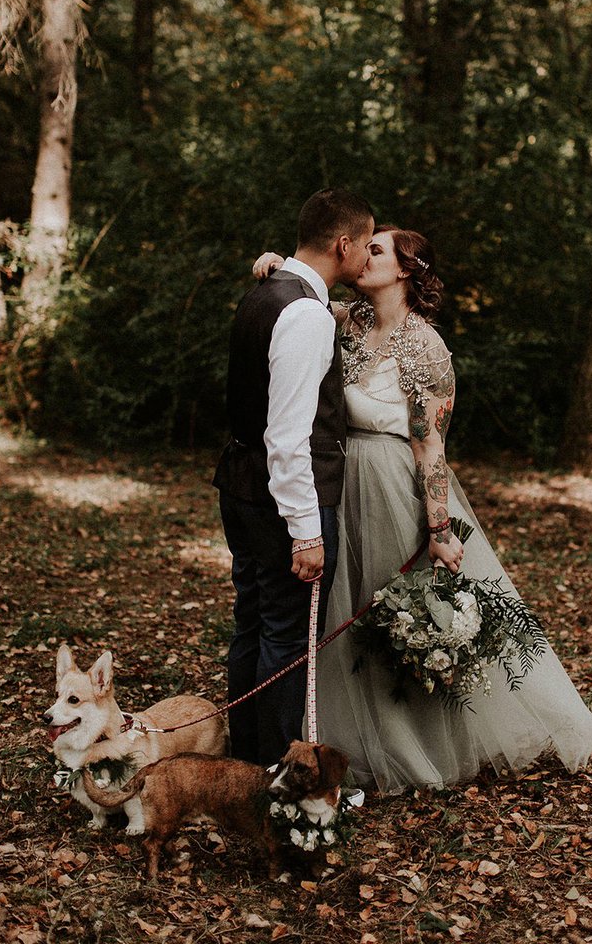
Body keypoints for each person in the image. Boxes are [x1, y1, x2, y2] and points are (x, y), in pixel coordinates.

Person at [252, 226, 592, 793]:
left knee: (386, 611)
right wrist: (282, 265)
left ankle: (410, 745)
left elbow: (431, 448)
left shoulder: (427, 348)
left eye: (376, 249)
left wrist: (439, 527)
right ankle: (339, 738)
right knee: (341, 612)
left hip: (391, 487)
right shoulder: (350, 319)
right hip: (339, 481)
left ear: (404, 269)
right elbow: (305, 298)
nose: (361, 254)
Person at [213, 189, 374, 767]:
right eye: (366, 245)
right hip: (282, 501)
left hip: (241, 486)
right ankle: (275, 776)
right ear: (343, 245)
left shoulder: (268, 290)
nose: (367, 256)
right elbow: (287, 438)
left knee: (254, 624)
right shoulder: (305, 315)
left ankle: (244, 764)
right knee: (284, 639)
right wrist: (306, 531)